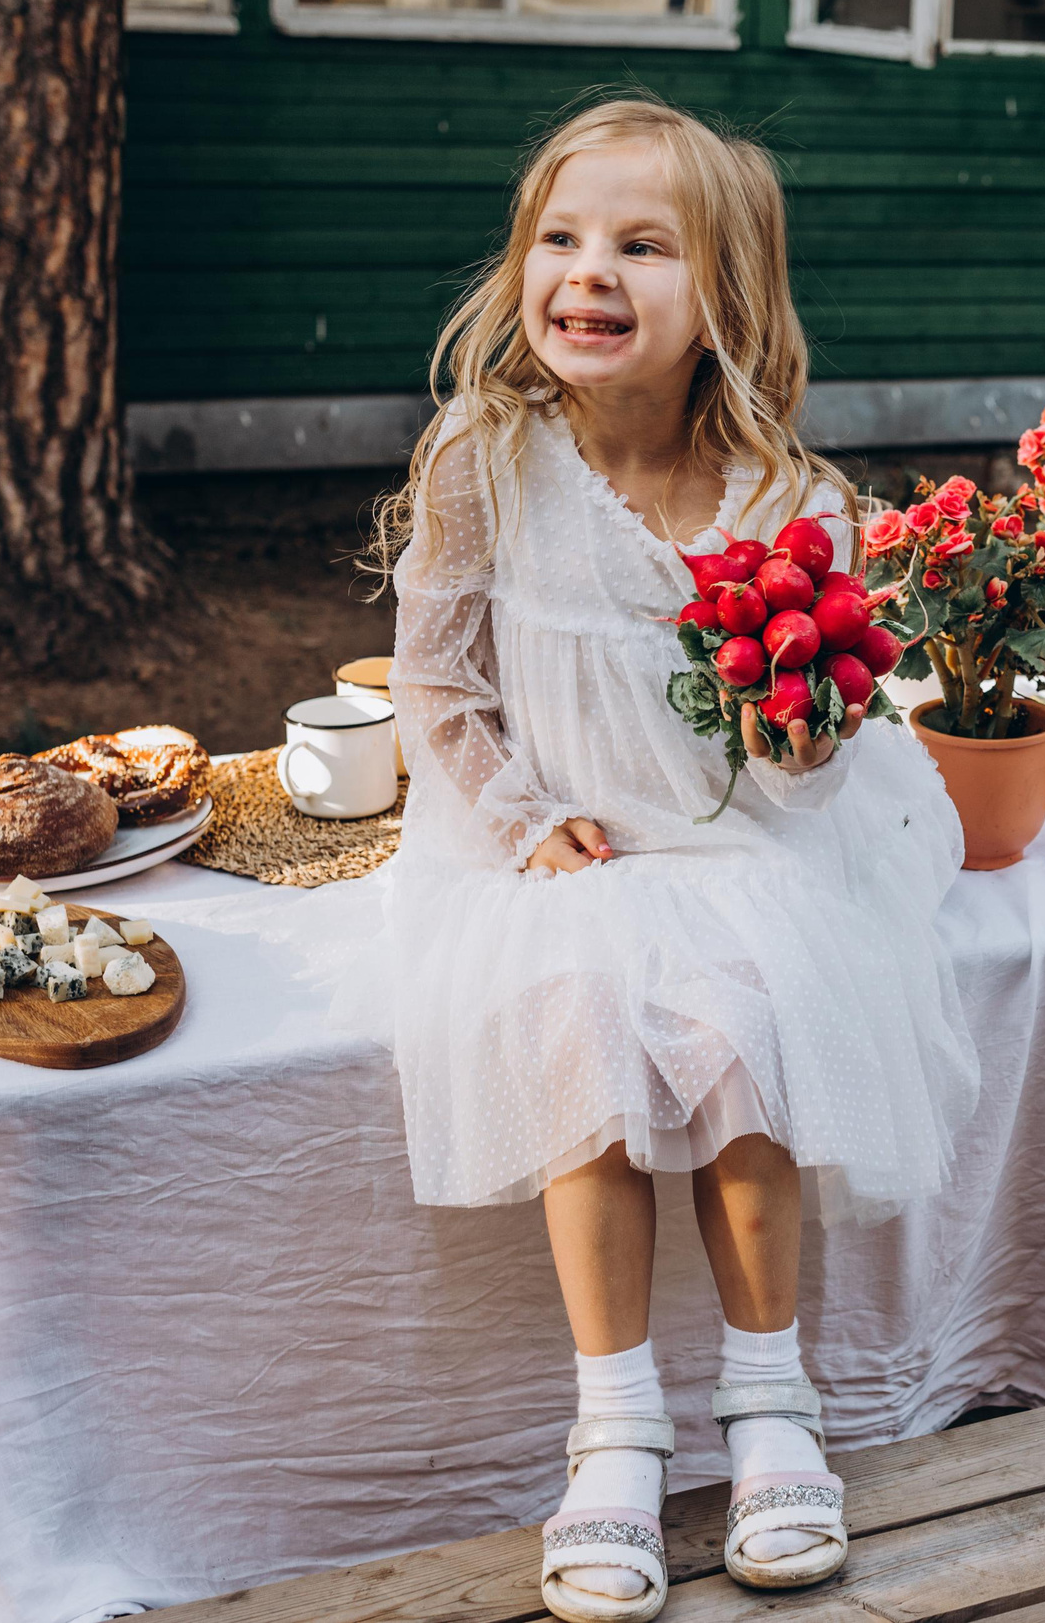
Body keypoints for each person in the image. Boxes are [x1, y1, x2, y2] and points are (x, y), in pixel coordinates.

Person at [361, 95, 977, 1622]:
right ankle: (615, 1425)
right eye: (562, 240)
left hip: (737, 837)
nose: (591, 271)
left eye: (644, 245)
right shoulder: (482, 458)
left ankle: (772, 1401)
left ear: (725, 302)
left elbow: (816, 736)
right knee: (579, 1026)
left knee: (743, 1029)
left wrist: (801, 730)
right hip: (555, 840)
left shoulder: (791, 500)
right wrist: (513, 817)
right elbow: (437, 685)